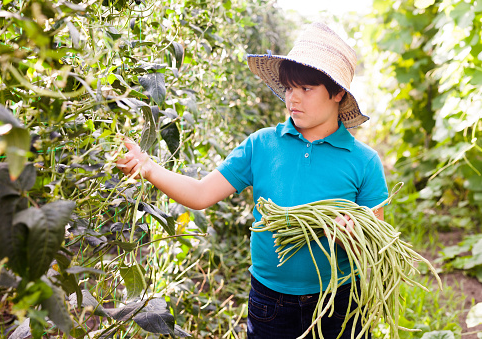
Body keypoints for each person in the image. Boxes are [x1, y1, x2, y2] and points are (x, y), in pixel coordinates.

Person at [116, 22, 388, 339]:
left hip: (339, 303)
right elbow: (202, 193)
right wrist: (149, 168)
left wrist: (347, 236)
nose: (293, 99)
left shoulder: (363, 160)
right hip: (271, 302)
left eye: (307, 89)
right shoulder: (262, 145)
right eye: (289, 88)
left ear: (338, 93)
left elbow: (376, 244)